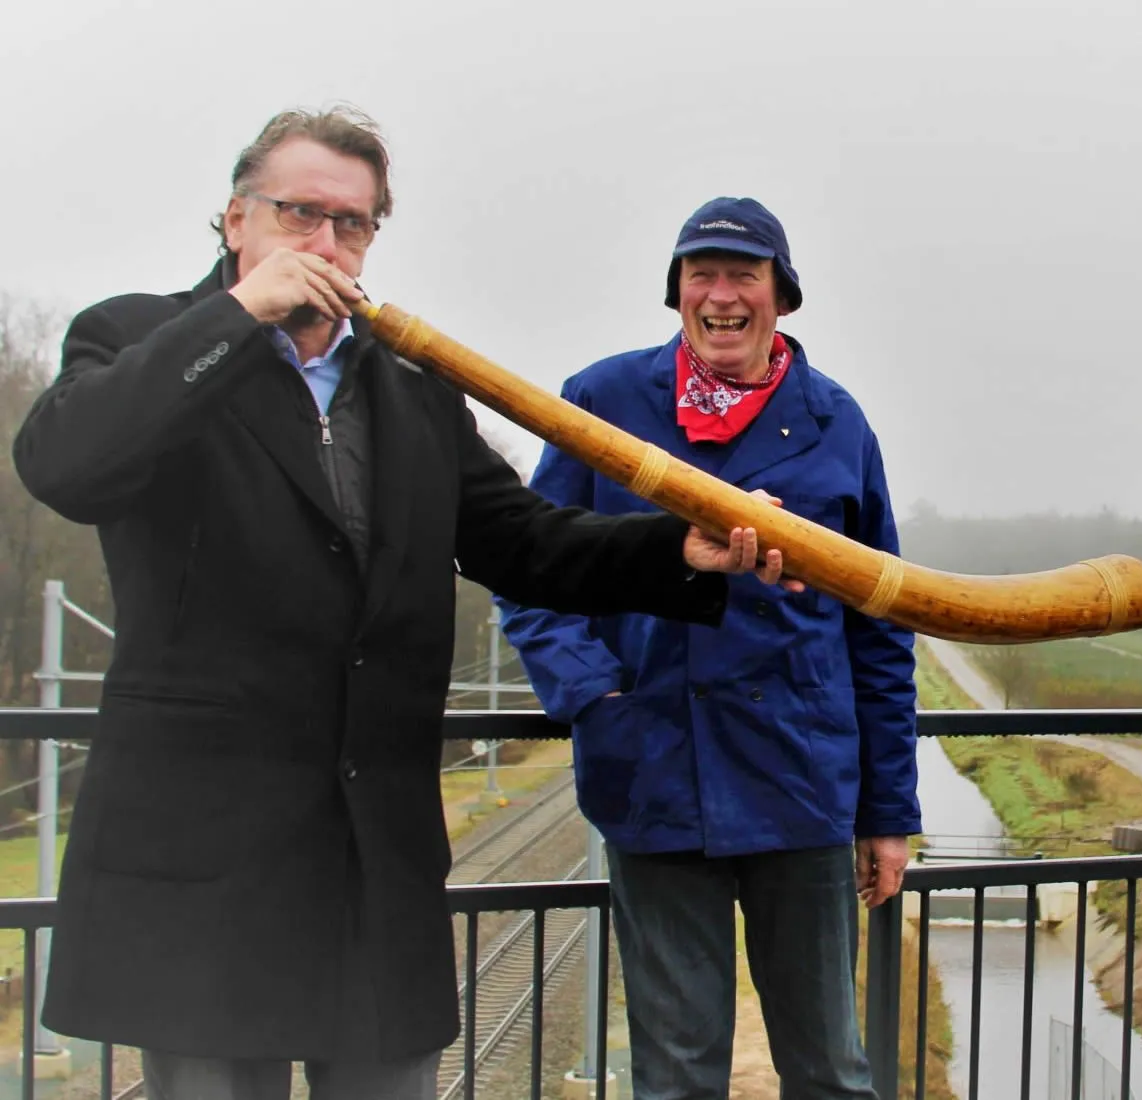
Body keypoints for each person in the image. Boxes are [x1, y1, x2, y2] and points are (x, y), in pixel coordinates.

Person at [10, 107, 794, 1100]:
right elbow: (68, 463)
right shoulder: (143, 337)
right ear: (235, 220)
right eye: (301, 214)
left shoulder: (412, 389)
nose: (327, 245)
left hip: (373, 859)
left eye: (355, 223)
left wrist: (678, 545)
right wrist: (238, 317)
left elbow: (524, 540)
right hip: (205, 866)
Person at [496, 196, 918, 1100]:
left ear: (782, 297)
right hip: (652, 775)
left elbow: (879, 628)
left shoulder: (837, 422)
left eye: (743, 276)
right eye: (702, 275)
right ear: (677, 293)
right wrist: (593, 699)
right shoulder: (601, 403)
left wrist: (888, 809)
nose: (721, 296)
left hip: (799, 785)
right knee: (678, 1073)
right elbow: (532, 572)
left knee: (831, 1070)